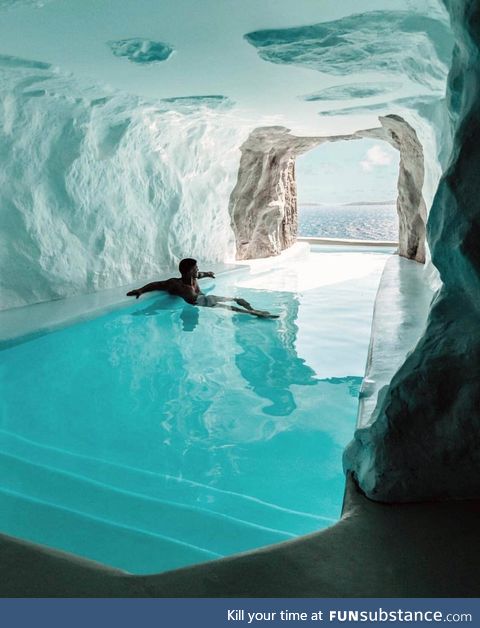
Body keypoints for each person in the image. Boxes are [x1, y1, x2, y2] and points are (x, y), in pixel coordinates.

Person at [126, 258, 279, 318]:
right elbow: (156, 285)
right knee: (231, 307)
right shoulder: (176, 284)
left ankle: (252, 309)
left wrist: (208, 274)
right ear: (187, 271)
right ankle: (253, 313)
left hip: (205, 298)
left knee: (238, 299)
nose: (197, 269)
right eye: (195, 268)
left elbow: (201, 274)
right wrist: (140, 290)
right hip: (200, 302)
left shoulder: (194, 277)